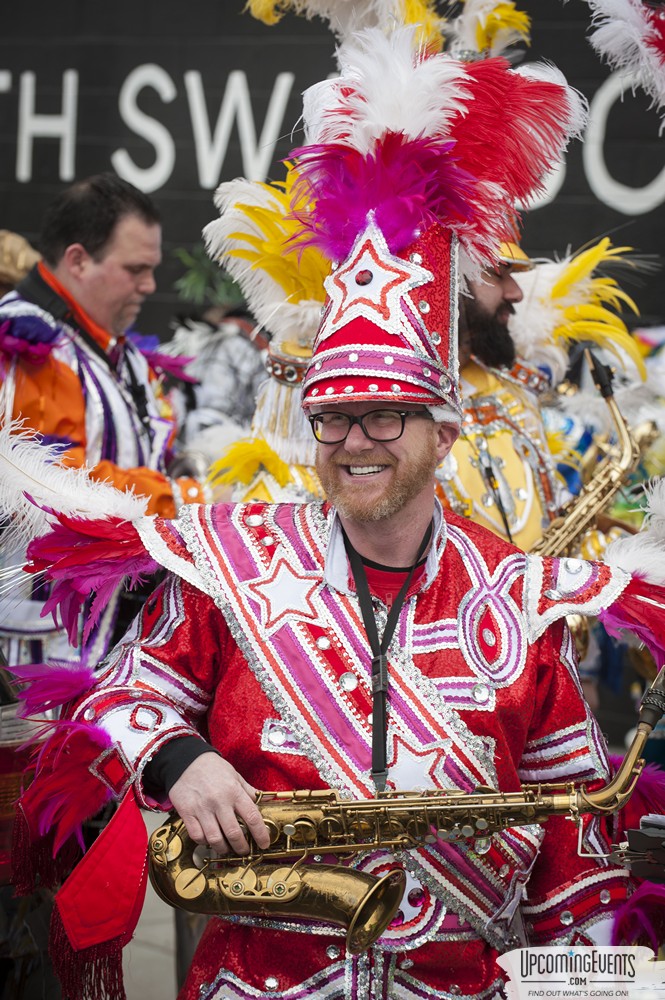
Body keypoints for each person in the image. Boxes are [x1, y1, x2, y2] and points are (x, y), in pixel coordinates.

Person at [10, 26, 665, 1000]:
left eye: (383, 417)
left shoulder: (522, 604)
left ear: (443, 430)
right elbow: (116, 698)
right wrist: (179, 758)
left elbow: (581, 890)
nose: (353, 440)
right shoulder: (233, 564)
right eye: (332, 417)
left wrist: (589, 983)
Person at [0, 173, 209, 668]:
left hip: (112, 631)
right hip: (40, 647)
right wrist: (181, 501)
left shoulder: (122, 350)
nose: (150, 286)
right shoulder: (21, 344)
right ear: (77, 260)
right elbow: (45, 483)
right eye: (135, 269)